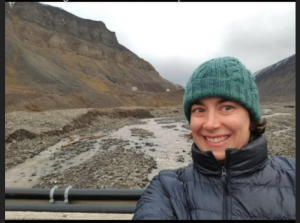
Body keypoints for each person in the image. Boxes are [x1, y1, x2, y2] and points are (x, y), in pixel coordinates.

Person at [132, 57, 295, 220]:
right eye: (199, 110)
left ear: (251, 118)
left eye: (227, 107)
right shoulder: (166, 188)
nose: (210, 124)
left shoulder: (293, 177)